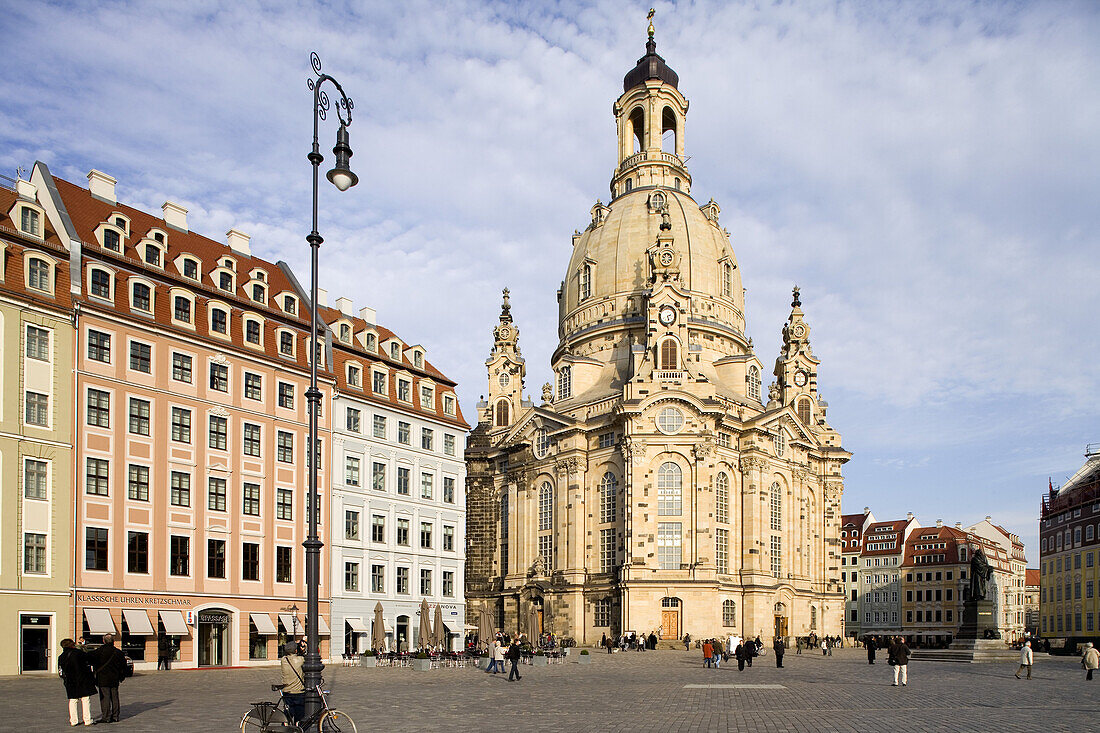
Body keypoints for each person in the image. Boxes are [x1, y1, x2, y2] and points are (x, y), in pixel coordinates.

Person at [59, 638, 97, 726]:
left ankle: (74, 720)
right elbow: (89, 659)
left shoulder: (61, 656)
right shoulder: (78, 653)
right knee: (85, 699)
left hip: (70, 681)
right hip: (83, 679)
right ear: (72, 645)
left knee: (73, 700)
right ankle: (87, 719)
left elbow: (61, 670)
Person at [91, 634, 127, 724]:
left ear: (104, 641)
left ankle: (106, 716)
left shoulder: (99, 651)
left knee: (105, 698)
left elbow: (90, 660)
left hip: (102, 678)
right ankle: (115, 716)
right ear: (113, 641)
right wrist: (121, 677)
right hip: (114, 678)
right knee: (115, 697)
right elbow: (123, 666)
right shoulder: (118, 652)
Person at [280, 641, 306, 723]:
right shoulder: (300, 660)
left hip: (286, 691)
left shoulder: (283, 660)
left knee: (288, 714)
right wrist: (303, 649)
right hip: (298, 692)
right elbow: (306, 657)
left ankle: (285, 728)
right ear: (295, 650)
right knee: (299, 716)